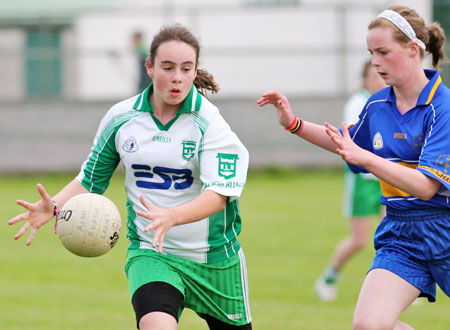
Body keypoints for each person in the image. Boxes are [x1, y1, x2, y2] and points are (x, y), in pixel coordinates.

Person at [9, 24, 252, 330]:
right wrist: (54, 205)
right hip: (152, 253)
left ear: (194, 71)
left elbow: (219, 194)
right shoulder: (121, 118)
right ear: (149, 68)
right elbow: (92, 179)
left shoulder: (210, 124)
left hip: (215, 259)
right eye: (167, 67)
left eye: (186, 68)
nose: (177, 77)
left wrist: (172, 216)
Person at [257, 5, 449, 330]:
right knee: (368, 326)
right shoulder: (377, 104)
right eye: (371, 52)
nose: (375, 62)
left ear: (413, 50)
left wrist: (367, 158)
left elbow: (425, 186)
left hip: (444, 226)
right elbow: (346, 144)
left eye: (384, 52)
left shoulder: (441, 108)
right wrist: (294, 123)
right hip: (401, 234)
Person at [315, 60, 386, 302]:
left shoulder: (391, 100)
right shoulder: (357, 103)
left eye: (381, 76)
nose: (378, 81)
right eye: (373, 77)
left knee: (394, 236)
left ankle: (402, 284)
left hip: (387, 177)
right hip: (363, 180)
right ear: (364, 80)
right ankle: (329, 276)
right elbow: (353, 140)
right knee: (359, 240)